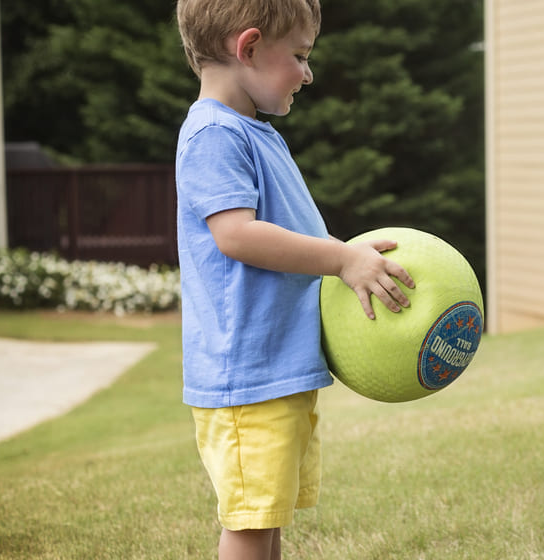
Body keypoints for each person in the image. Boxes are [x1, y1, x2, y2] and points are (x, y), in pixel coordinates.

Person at [174, 1, 414, 558]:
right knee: (250, 522)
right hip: (246, 371)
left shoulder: (256, 133)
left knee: (269, 516)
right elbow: (237, 235)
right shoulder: (213, 134)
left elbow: (285, 232)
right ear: (250, 47)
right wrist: (341, 260)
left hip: (277, 367)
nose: (308, 73)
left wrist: (346, 259)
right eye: (301, 56)